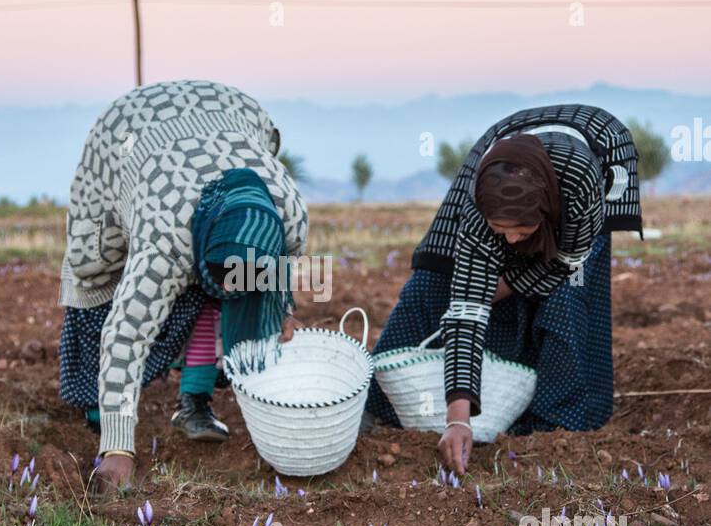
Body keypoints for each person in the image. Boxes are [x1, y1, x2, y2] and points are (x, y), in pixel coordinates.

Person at [364, 104, 642, 474]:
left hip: (598, 159)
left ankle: (555, 417)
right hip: (501, 152)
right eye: (501, 231)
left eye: (521, 232)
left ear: (543, 213)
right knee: (441, 272)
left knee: (566, 294)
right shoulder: (478, 212)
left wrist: (509, 283)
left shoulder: (582, 183)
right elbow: (465, 312)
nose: (510, 239)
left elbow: (565, 262)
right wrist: (458, 418)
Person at [58, 80, 308, 490]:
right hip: (125, 131)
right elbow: (125, 335)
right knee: (95, 267)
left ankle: (194, 399)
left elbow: (281, 269)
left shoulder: (289, 213)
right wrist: (118, 449)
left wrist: (282, 309)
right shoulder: (166, 239)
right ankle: (98, 405)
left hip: (231, 113)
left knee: (219, 286)